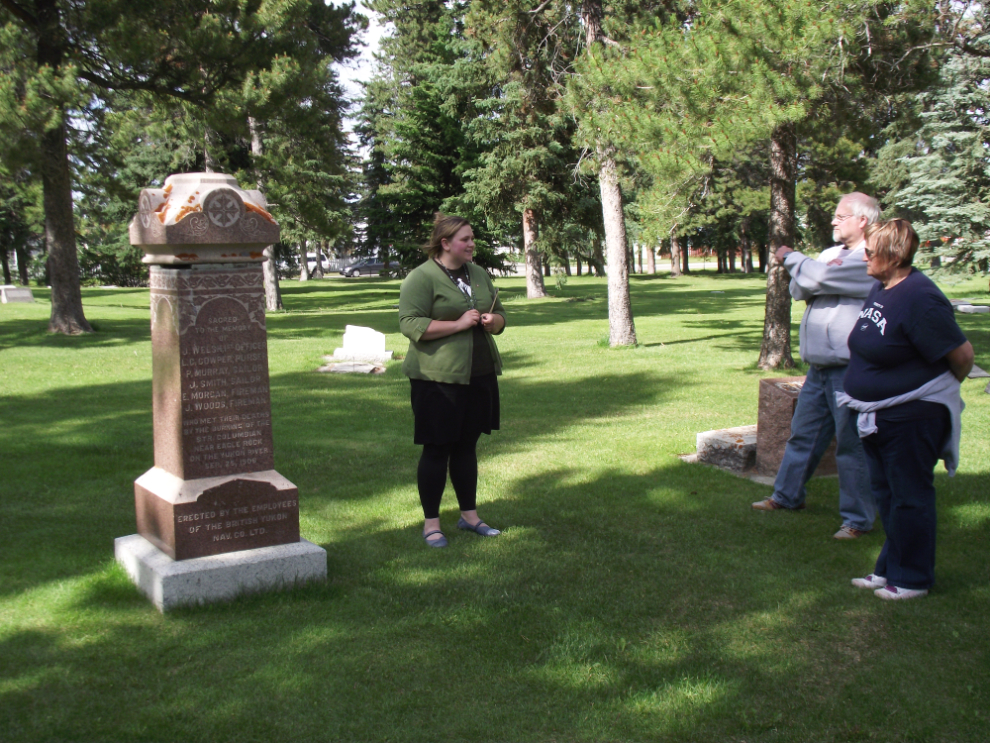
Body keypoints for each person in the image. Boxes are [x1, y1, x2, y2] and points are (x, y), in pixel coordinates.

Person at [837, 219, 973, 600]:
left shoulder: (920, 297)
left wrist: (927, 391)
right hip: (879, 413)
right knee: (887, 494)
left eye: (869, 251)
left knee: (910, 495)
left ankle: (913, 578)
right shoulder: (881, 288)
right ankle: (889, 569)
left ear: (893, 255)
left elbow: (962, 357)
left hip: (913, 416)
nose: (863, 257)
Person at [752, 192, 879, 539]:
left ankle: (857, 520)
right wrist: (814, 273)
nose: (834, 221)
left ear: (862, 220)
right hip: (818, 368)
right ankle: (786, 497)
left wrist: (794, 258)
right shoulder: (828, 255)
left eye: (840, 216)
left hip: (850, 369)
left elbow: (815, 280)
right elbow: (799, 287)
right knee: (803, 436)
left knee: (852, 445)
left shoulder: (872, 256)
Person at [398, 214, 507, 548]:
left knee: (466, 446)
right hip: (437, 379)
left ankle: (469, 516)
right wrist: (458, 324)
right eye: (465, 239)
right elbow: (410, 324)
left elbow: (501, 314)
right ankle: (432, 524)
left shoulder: (478, 273)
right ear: (445, 244)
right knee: (437, 449)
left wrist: (493, 322)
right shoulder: (421, 277)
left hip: (479, 373)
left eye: (472, 238)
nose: (472, 244)